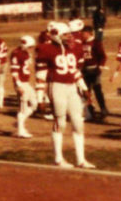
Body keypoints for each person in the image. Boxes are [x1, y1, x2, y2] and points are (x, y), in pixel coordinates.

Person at [38, 22, 94, 168]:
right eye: (65, 34)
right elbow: (41, 75)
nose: (69, 37)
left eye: (69, 34)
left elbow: (74, 71)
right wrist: (40, 98)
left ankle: (81, 160)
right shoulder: (46, 49)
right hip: (56, 86)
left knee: (78, 122)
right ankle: (58, 158)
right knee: (60, 122)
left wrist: (84, 88)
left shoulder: (73, 50)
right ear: (56, 35)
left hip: (71, 87)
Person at [10, 36, 36, 138]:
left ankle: (20, 122)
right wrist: (18, 85)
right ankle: (20, 130)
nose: (31, 49)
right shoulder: (16, 54)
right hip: (21, 83)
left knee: (34, 104)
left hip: (26, 82)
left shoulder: (25, 53)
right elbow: (14, 71)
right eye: (30, 47)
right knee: (23, 108)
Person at [81, 25, 108, 120]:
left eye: (84, 33)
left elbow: (103, 56)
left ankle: (103, 108)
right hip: (85, 70)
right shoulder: (82, 43)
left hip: (94, 69)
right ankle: (89, 110)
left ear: (89, 33)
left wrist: (100, 67)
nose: (82, 35)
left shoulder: (96, 43)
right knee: (86, 91)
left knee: (97, 90)